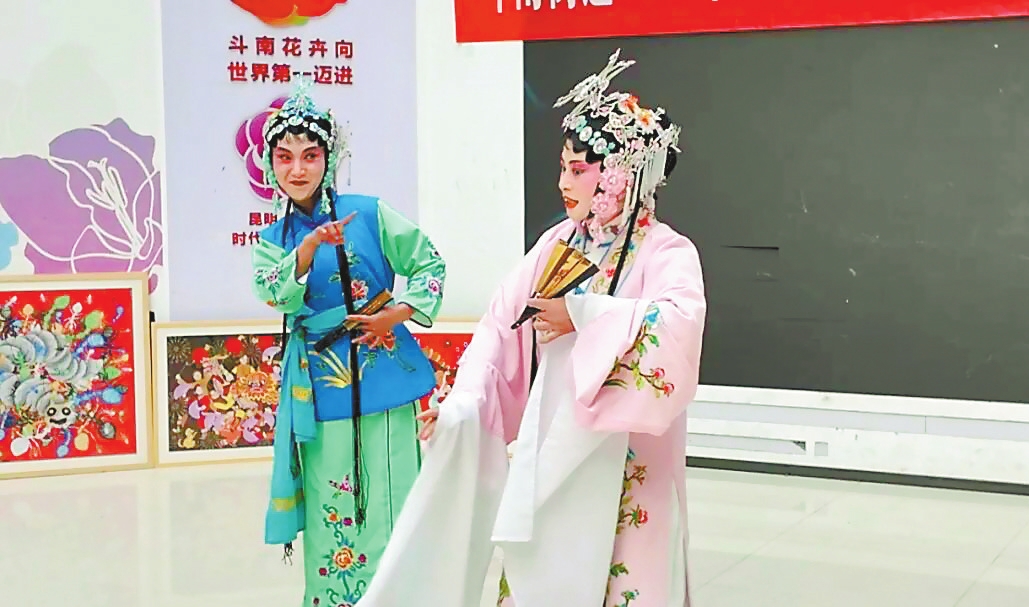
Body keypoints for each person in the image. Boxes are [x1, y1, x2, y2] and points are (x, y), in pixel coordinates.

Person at [357, 49, 706, 607]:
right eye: (563, 166)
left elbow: (680, 326)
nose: (564, 182)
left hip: (632, 460)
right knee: (544, 571)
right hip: (557, 448)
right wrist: (464, 406)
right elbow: (500, 330)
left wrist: (584, 315)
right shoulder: (556, 245)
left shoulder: (666, 251)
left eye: (579, 170)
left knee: (628, 578)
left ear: (620, 176)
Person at [249, 79, 445, 606]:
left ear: (328, 158)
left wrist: (396, 315)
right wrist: (309, 246)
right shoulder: (273, 241)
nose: (297, 169)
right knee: (332, 501)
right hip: (321, 384)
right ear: (270, 164)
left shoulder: (370, 213)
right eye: (285, 157)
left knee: (393, 494)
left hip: (384, 370)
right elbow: (273, 292)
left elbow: (429, 263)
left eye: (310, 155)